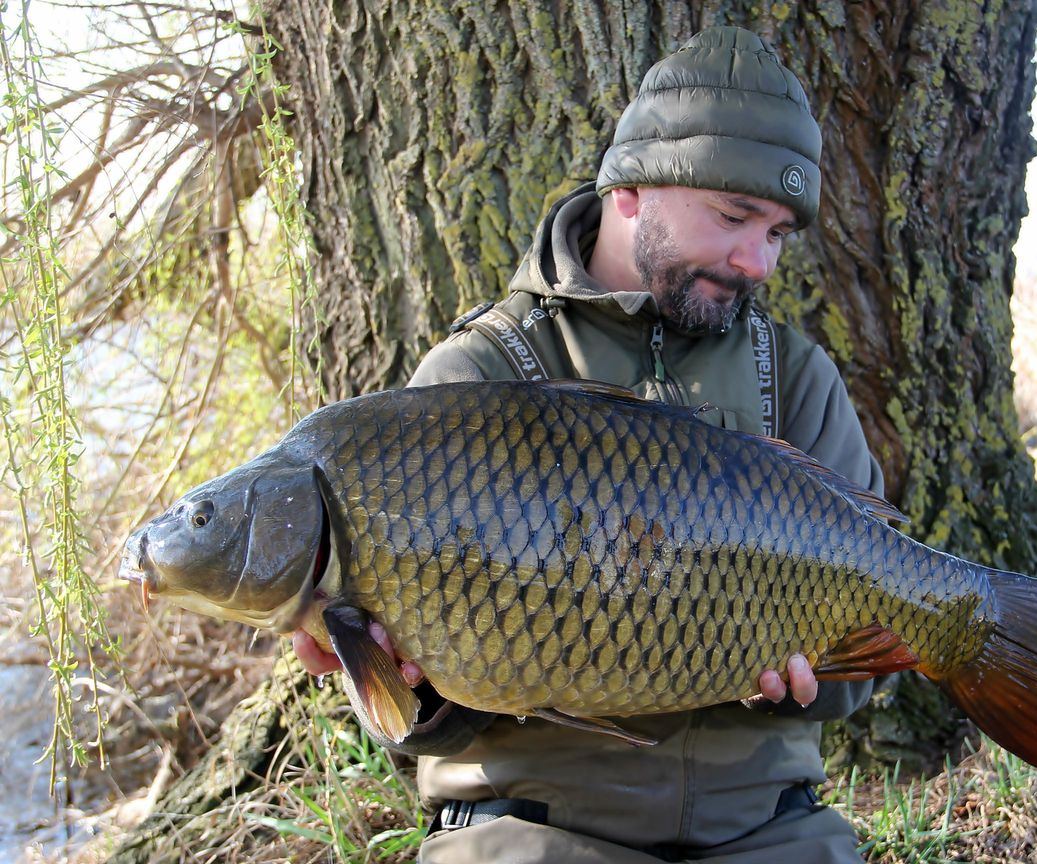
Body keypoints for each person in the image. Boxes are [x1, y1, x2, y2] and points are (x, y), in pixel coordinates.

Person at [294, 25, 885, 863]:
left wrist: (820, 681)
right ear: (633, 189)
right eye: (734, 216)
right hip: (532, 831)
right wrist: (409, 682)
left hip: (769, 830)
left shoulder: (791, 376)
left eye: (780, 233)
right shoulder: (479, 375)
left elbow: (869, 671)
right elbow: (412, 731)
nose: (757, 262)